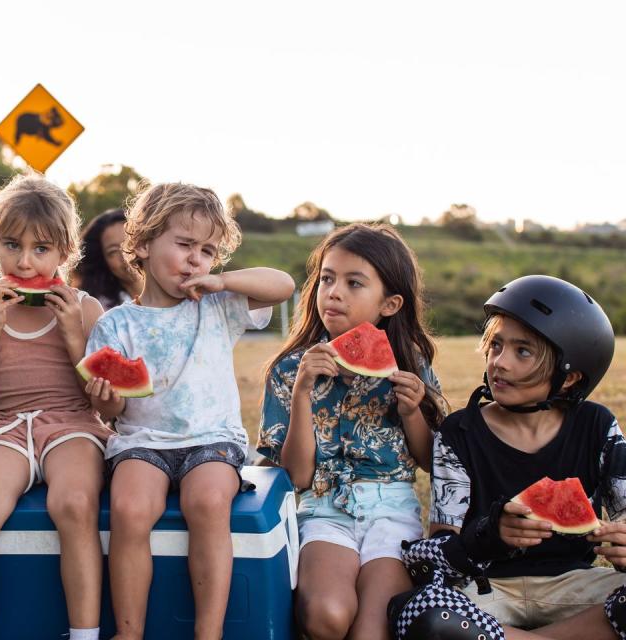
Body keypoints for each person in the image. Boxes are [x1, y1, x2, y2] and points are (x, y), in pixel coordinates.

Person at [86, 182, 294, 640]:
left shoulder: (219, 306)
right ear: (140, 245)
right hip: (142, 442)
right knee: (128, 507)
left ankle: (209, 632)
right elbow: (114, 410)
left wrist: (223, 280)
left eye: (207, 251)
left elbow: (284, 285)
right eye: (184, 245)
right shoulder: (117, 322)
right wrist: (106, 399)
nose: (196, 259)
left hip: (212, 439)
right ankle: (128, 630)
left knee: (207, 502)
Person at [389, 275, 626, 640]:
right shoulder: (460, 432)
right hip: (488, 591)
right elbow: (430, 558)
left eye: (523, 351)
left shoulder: (597, 426)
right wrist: (489, 536)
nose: (499, 362)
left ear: (569, 377)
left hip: (578, 586)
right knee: (418, 612)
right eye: (496, 345)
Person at [256, 222, 446, 640]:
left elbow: (432, 462)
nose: (334, 292)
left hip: (393, 512)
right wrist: (304, 391)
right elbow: (297, 477)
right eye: (327, 278)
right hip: (323, 510)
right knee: (327, 616)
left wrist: (413, 411)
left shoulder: (410, 363)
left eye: (354, 283)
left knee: (372, 631)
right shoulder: (289, 369)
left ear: (390, 304)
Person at [0, 174, 114, 640]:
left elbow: (96, 399)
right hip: (4, 428)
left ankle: (83, 635)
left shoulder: (85, 308)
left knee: (75, 503)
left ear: (64, 254)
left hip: (72, 424)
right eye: (12, 245)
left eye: (41, 249)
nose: (25, 262)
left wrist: (72, 335)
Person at [74, 208, 143, 310]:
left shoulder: (173, 293)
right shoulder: (99, 310)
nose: (125, 255)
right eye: (113, 251)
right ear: (103, 261)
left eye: (130, 243)